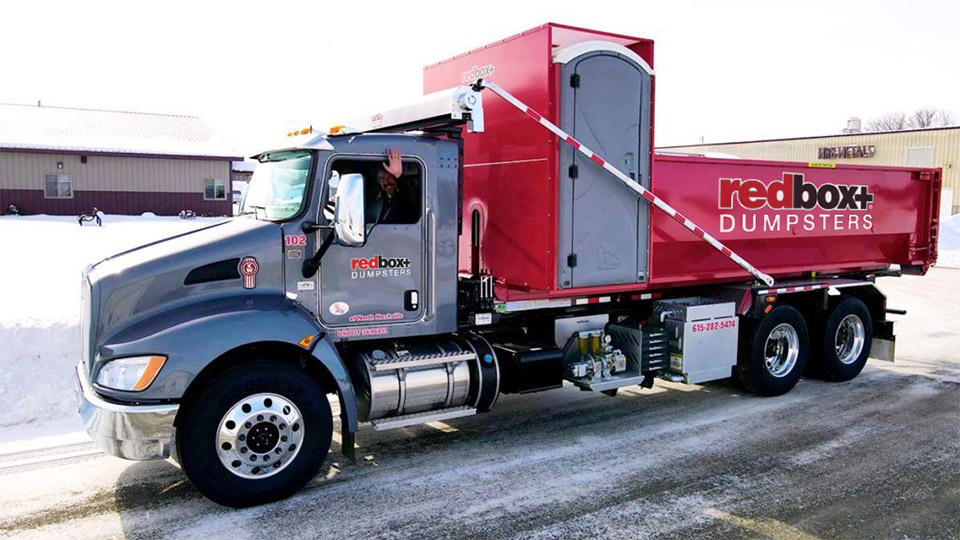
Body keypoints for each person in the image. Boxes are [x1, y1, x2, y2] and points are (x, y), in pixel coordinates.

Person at [370, 148, 419, 224]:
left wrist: (399, 176)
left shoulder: (405, 199)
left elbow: (412, 201)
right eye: (382, 178)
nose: (386, 182)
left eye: (390, 177)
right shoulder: (381, 199)